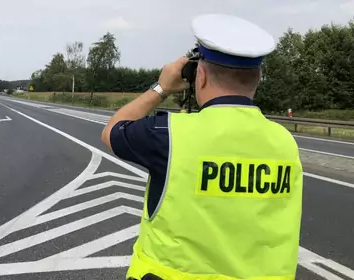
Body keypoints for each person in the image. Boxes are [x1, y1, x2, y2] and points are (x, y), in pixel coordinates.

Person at [101, 13, 303, 280]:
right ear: (258, 77)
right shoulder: (284, 142)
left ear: (201, 76)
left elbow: (112, 131)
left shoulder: (169, 135)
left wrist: (161, 87)